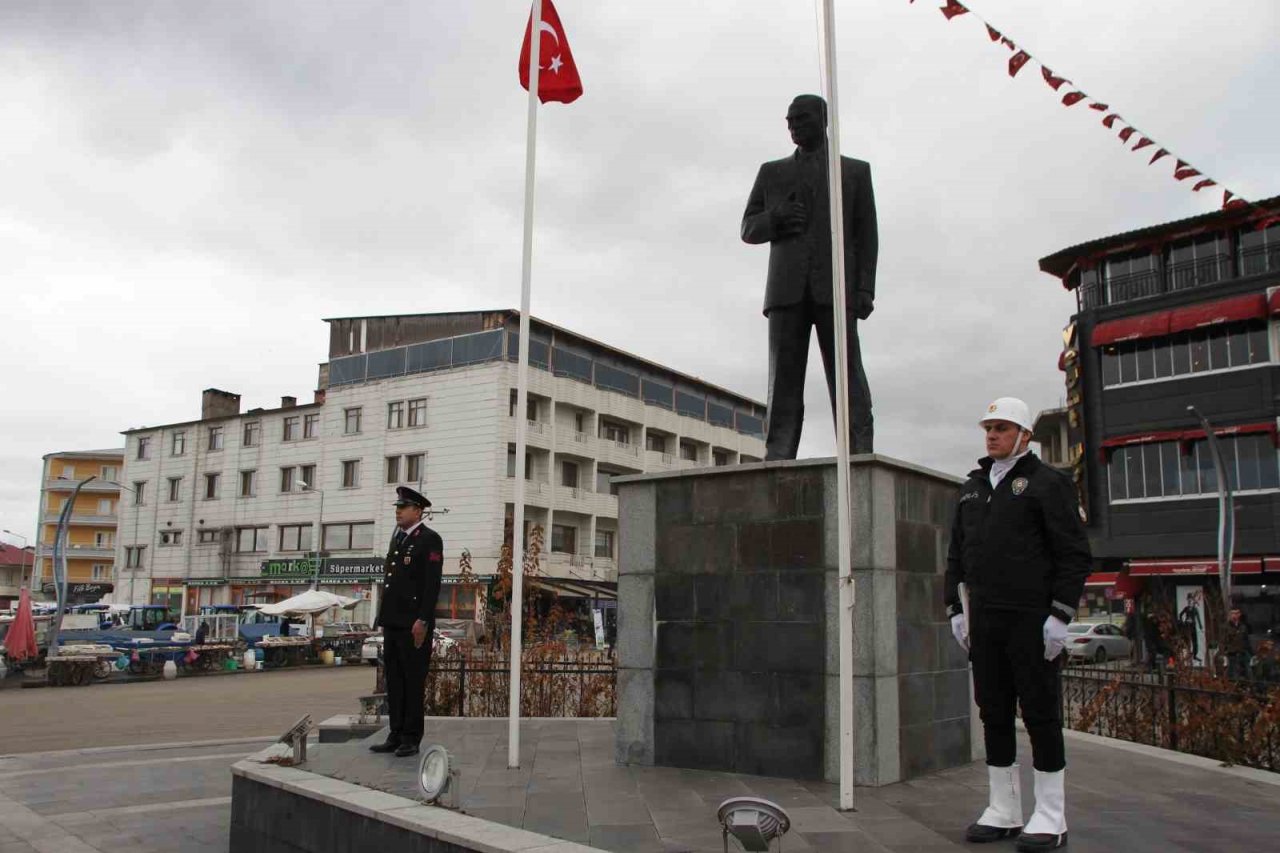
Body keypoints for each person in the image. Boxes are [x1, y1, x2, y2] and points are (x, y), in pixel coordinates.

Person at [944, 397, 1091, 851]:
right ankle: (1003, 809)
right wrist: (954, 609)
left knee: (1041, 715)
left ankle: (1050, 815)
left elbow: (1073, 554)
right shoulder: (972, 488)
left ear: (1024, 435)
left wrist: (1061, 615)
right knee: (993, 712)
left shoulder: (1048, 483)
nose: (992, 435)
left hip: (1033, 621)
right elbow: (956, 556)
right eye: (988, 427)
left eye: (1002, 428)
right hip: (985, 622)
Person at [741, 94, 878, 459]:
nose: (793, 127)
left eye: (800, 119)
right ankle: (779, 453)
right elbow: (748, 228)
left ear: (823, 119)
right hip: (786, 291)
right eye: (789, 121)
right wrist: (776, 218)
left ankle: (858, 451)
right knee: (782, 380)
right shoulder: (772, 172)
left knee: (847, 377)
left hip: (836, 289)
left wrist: (865, 288)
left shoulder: (853, 172)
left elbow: (867, 236)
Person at [369, 486, 444, 758]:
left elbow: (431, 584)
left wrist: (423, 619)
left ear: (418, 510)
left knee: (413, 681)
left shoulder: (429, 539)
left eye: (403, 507)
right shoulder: (398, 539)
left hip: (414, 623)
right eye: (397, 507)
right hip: (393, 621)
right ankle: (396, 733)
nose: (398, 511)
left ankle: (411, 737)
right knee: (395, 680)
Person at [1222, 607, 1251, 680]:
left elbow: (1246, 640)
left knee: (1248, 672)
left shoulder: (1243, 627)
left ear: (1239, 614)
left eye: (1237, 613)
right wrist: (1224, 652)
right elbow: (1223, 641)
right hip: (1232, 653)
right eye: (1233, 613)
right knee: (1233, 673)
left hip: (1242, 652)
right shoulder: (1226, 627)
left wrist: (1250, 652)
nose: (1235, 615)